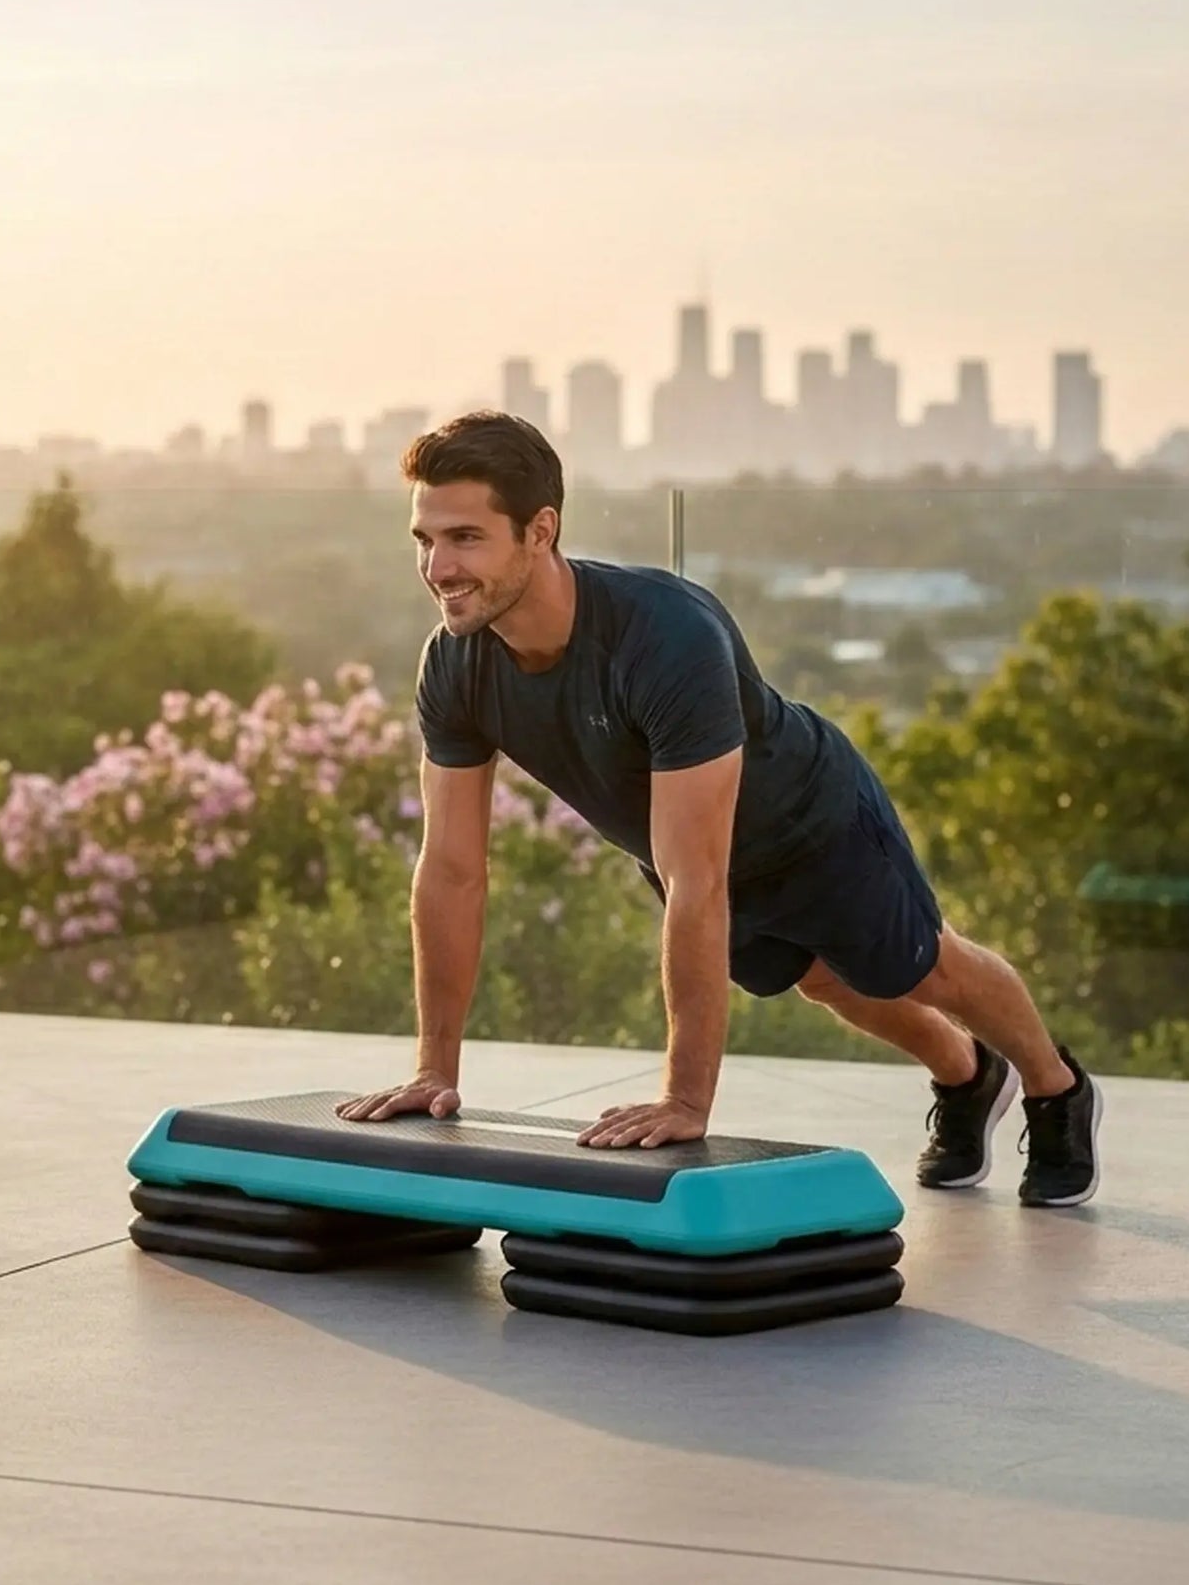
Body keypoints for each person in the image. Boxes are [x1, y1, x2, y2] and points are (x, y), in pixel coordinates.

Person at [335, 410, 1101, 1207]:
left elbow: (697, 878)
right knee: (828, 985)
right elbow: (453, 869)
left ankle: (1056, 1087)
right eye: (424, 539)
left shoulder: (665, 633)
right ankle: (968, 1075)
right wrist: (434, 1072)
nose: (438, 567)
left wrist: (684, 1102)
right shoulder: (454, 665)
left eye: (465, 538)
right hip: (689, 850)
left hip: (811, 821)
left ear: (540, 530)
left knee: (923, 966)